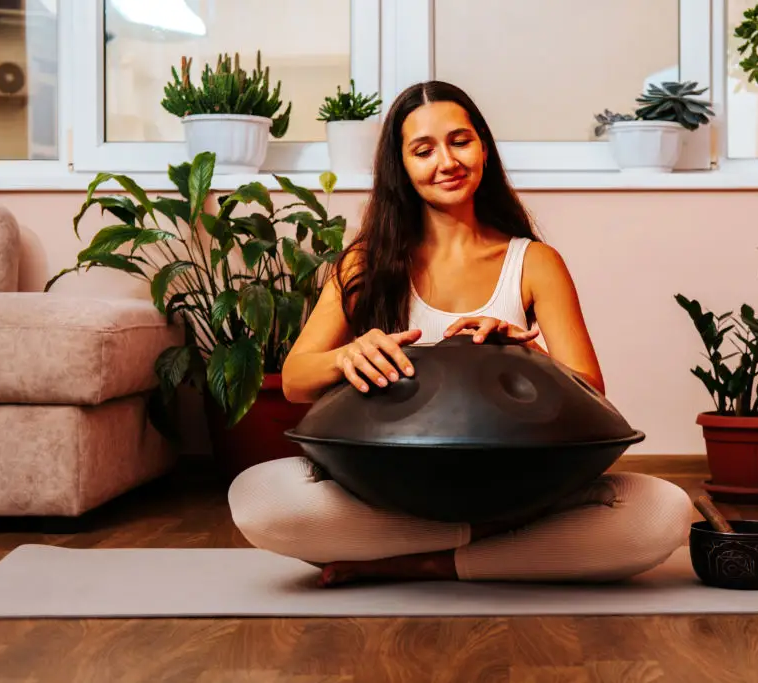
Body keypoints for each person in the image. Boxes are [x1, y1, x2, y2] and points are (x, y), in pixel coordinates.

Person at [227, 80, 692, 587]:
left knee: (661, 509)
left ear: (484, 149)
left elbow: (592, 391)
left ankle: (417, 562)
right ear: (401, 166)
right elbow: (295, 380)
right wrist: (349, 355)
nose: (446, 162)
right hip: (392, 489)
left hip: (518, 489)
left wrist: (525, 353)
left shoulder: (534, 262)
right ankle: (495, 544)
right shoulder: (366, 263)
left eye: (460, 141)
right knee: (259, 497)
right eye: (423, 150)